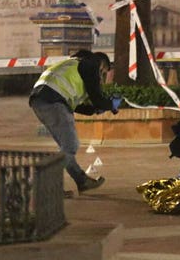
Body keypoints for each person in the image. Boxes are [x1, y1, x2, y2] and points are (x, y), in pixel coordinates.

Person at [29, 49, 121, 193]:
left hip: (41, 100)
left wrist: (96, 109)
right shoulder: (91, 64)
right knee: (71, 146)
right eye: (103, 73)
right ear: (101, 64)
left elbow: (78, 105)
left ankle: (80, 181)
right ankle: (42, 183)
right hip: (53, 101)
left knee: (66, 148)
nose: (102, 77)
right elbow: (97, 98)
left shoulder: (73, 65)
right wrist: (110, 104)